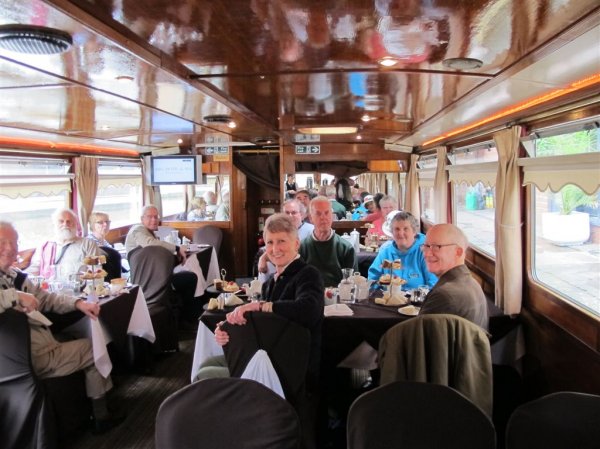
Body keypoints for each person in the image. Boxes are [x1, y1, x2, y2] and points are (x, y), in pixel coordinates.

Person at [0, 221, 122, 433]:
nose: (10, 248)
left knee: (70, 337)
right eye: (2, 243)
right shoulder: (14, 287)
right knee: (94, 348)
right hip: (27, 357)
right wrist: (16, 296)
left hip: (28, 352)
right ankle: (101, 414)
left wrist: (77, 303)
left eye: (14, 242)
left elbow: (46, 298)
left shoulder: (15, 277)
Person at [218, 213, 324, 388]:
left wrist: (261, 306)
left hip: (294, 369)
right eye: (270, 242)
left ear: (296, 244)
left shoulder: (308, 274)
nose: (275, 249)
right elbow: (263, 323)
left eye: (281, 241)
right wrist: (226, 327)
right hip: (270, 358)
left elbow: (308, 310)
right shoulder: (270, 284)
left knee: (205, 374)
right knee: (208, 366)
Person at [125, 205, 198, 323]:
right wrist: (177, 248)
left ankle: (185, 320)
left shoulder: (149, 232)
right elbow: (150, 244)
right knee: (190, 278)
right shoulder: (137, 230)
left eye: (156, 217)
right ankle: (187, 321)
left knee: (189, 277)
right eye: (149, 217)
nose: (154, 220)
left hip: (155, 276)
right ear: (141, 219)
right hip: (147, 281)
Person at [419, 223, 489, 330]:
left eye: (436, 247)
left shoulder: (443, 295)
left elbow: (421, 341)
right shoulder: (472, 283)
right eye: (426, 246)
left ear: (458, 252)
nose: (427, 254)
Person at [368, 211, 437, 290]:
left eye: (405, 229)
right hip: (389, 299)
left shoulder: (424, 252)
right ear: (392, 232)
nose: (400, 233)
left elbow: (433, 285)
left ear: (414, 232)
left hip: (417, 300)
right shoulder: (385, 252)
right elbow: (372, 281)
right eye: (397, 229)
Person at [299, 196, 357, 287]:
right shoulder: (301, 248)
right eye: (318, 214)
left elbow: (353, 282)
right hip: (310, 296)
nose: (323, 217)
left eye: (327, 213)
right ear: (310, 218)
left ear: (332, 215)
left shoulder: (346, 248)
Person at [28, 208, 100, 280]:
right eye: (61, 221)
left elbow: (96, 270)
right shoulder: (45, 245)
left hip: (78, 289)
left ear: (76, 224)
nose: (65, 224)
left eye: (69, 221)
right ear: (54, 224)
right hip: (48, 288)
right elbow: (35, 268)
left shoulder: (89, 244)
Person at [257, 199, 314, 281]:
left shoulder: (310, 230)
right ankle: (262, 290)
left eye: (294, 212)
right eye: (287, 213)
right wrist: (263, 258)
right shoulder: (278, 231)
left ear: (301, 215)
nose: (290, 216)